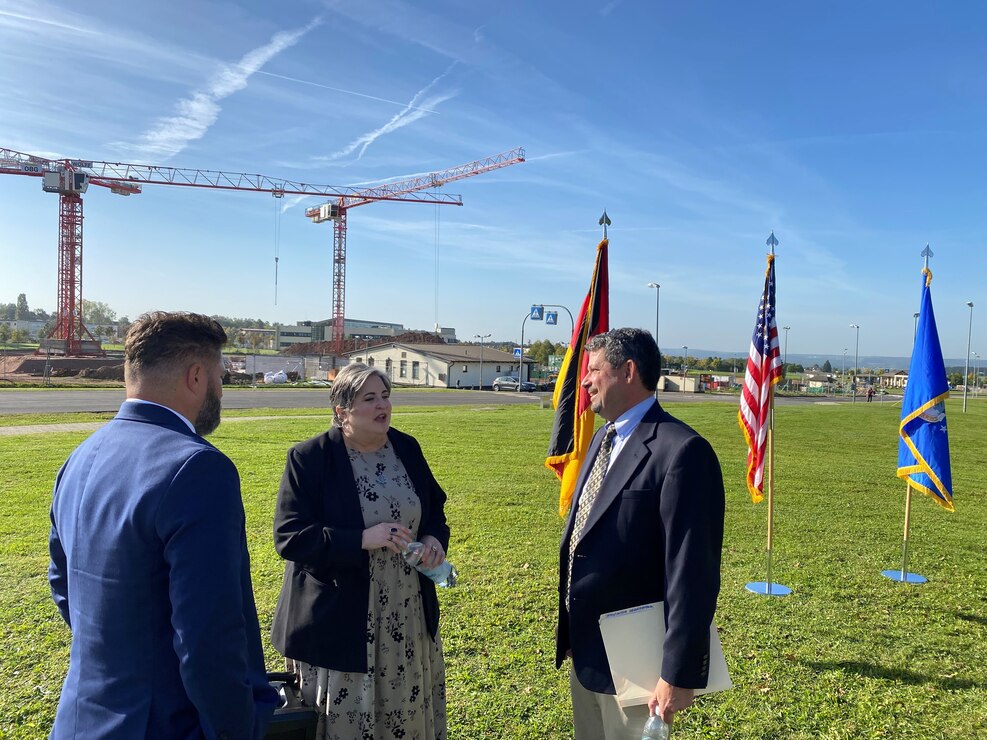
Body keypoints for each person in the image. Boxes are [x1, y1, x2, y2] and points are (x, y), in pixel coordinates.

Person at [48, 311, 278, 739]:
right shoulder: (197, 467)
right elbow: (208, 637)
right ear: (196, 377)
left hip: (82, 717)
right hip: (165, 723)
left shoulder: (79, 457)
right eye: (219, 376)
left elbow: (64, 584)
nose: (221, 390)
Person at [556, 328, 725, 739]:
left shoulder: (682, 451)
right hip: (587, 651)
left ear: (628, 371)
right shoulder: (601, 437)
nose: (585, 381)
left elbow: (692, 573)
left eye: (594, 370)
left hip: (638, 665)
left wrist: (677, 673)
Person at [271, 362, 450, 739]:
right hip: (343, 619)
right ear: (342, 411)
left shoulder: (406, 447)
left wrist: (434, 538)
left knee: (403, 713)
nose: (382, 405)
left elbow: (434, 508)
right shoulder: (310, 458)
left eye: (385, 396)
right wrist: (361, 539)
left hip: (404, 610)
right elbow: (290, 536)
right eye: (369, 398)